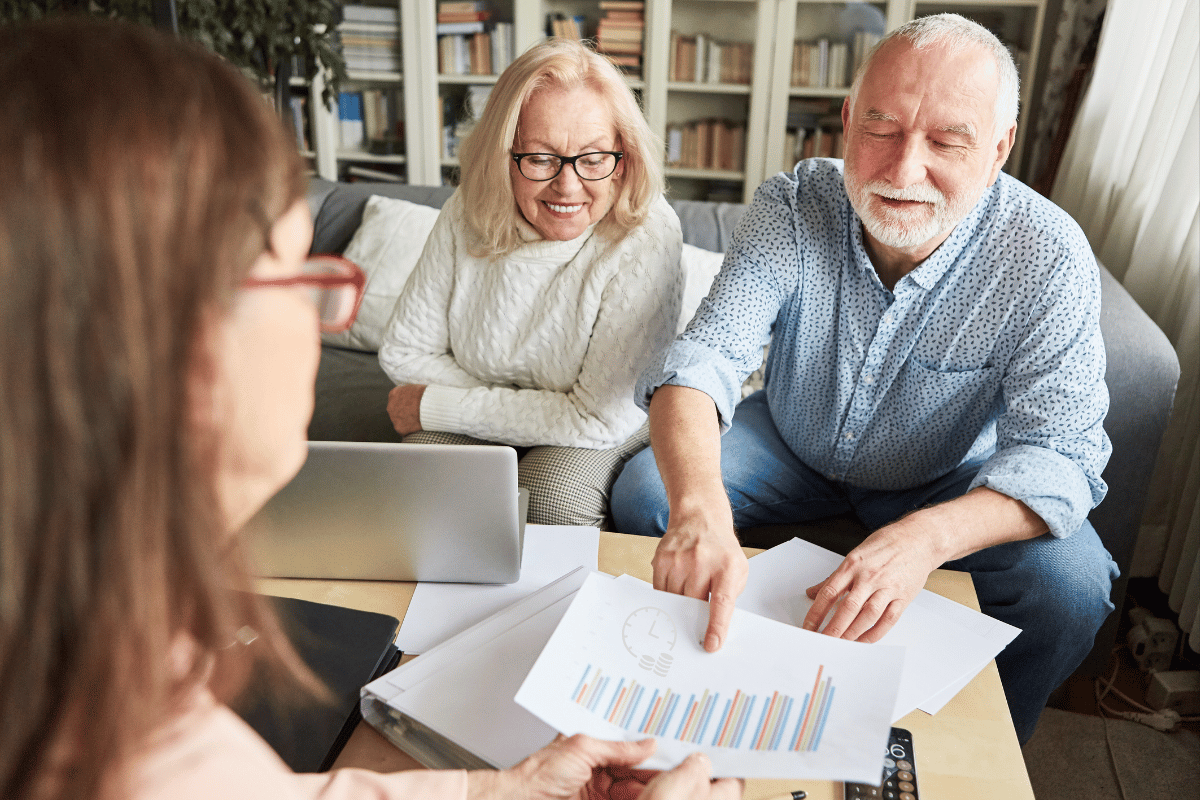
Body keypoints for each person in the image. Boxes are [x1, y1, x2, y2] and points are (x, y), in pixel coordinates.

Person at [0, 18, 740, 800]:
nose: (323, 320)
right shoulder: (108, 699)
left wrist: (507, 789)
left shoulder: (101, 653)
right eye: (295, 278)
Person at [611, 13, 1117, 744]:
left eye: (946, 140)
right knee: (649, 494)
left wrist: (926, 537)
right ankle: (703, 695)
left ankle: (972, 748)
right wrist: (698, 508)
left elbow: (1061, 456)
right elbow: (704, 362)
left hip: (945, 475)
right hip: (788, 439)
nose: (903, 169)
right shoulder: (792, 203)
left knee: (1072, 586)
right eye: (881, 128)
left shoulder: (1048, 255)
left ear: (1000, 146)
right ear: (848, 120)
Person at [378, 38, 682, 530]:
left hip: (612, 415)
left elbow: (596, 417)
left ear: (623, 158)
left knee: (552, 497)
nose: (567, 186)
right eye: (540, 158)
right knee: (428, 479)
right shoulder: (467, 210)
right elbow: (403, 354)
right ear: (505, 154)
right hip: (556, 409)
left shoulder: (648, 231)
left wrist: (439, 404)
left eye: (593, 158)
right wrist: (527, 409)